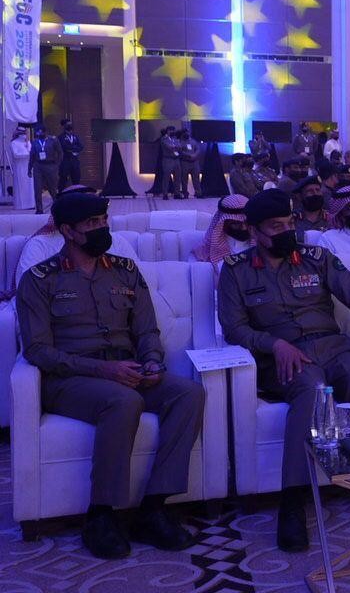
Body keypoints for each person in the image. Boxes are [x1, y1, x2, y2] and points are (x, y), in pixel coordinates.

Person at [218, 189, 350, 552]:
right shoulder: (235, 271)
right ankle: (293, 502)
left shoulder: (317, 258)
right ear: (255, 231)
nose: (286, 231)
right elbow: (234, 328)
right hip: (284, 357)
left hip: (333, 346)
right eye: (275, 226)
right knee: (311, 392)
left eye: (289, 223)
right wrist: (274, 344)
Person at [17, 192, 204, 559]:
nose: (102, 228)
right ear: (68, 231)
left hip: (126, 370)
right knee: (123, 400)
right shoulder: (39, 280)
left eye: (103, 221)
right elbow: (37, 351)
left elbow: (147, 331)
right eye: (91, 224)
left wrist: (152, 362)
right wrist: (103, 370)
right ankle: (101, 514)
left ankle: (154, 507)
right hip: (71, 380)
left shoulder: (125, 270)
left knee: (188, 393)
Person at [17, 185, 139, 279]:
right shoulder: (39, 245)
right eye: (91, 221)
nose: (101, 225)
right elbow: (26, 289)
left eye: (102, 219)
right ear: (67, 229)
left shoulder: (118, 241)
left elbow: (138, 280)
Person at [192, 194, 251, 266]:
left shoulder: (260, 244)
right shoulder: (204, 252)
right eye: (236, 224)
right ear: (223, 222)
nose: (244, 228)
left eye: (247, 223)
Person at [31, 124, 62, 214]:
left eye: (39, 132)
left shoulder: (53, 140)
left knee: (52, 188)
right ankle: (39, 209)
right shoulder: (35, 142)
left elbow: (60, 152)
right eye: (37, 132)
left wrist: (57, 164)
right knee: (37, 188)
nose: (38, 133)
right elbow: (32, 156)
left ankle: (57, 207)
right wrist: (29, 168)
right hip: (38, 166)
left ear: (44, 132)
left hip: (50, 166)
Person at [57, 119, 84, 190]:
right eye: (68, 124)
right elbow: (64, 147)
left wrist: (73, 149)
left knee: (76, 179)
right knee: (63, 180)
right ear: (63, 126)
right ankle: (61, 194)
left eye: (70, 124)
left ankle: (76, 194)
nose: (70, 125)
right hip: (65, 162)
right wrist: (74, 148)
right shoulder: (60, 137)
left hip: (75, 161)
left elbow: (81, 146)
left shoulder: (75, 136)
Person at [11, 128, 33, 210]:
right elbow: (16, 155)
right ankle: (21, 205)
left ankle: (30, 204)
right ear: (19, 135)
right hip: (19, 168)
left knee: (29, 186)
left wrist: (28, 147)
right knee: (20, 186)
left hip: (28, 167)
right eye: (23, 134)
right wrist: (27, 155)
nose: (25, 135)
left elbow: (31, 152)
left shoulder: (28, 142)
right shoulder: (14, 143)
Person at [176, 129, 200, 199]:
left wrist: (194, 155)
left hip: (194, 162)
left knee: (196, 179)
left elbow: (198, 149)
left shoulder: (193, 141)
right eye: (185, 133)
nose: (187, 134)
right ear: (182, 134)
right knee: (184, 179)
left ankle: (198, 193)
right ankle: (185, 193)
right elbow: (179, 151)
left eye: (187, 132)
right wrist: (188, 155)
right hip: (184, 162)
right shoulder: (179, 142)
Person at [158, 128, 181, 200]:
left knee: (177, 178)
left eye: (173, 130)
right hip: (168, 159)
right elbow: (169, 147)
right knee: (166, 177)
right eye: (171, 130)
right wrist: (175, 147)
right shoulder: (164, 139)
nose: (172, 132)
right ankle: (165, 194)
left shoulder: (176, 138)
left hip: (176, 159)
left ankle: (177, 194)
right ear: (167, 131)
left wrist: (175, 147)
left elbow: (180, 147)